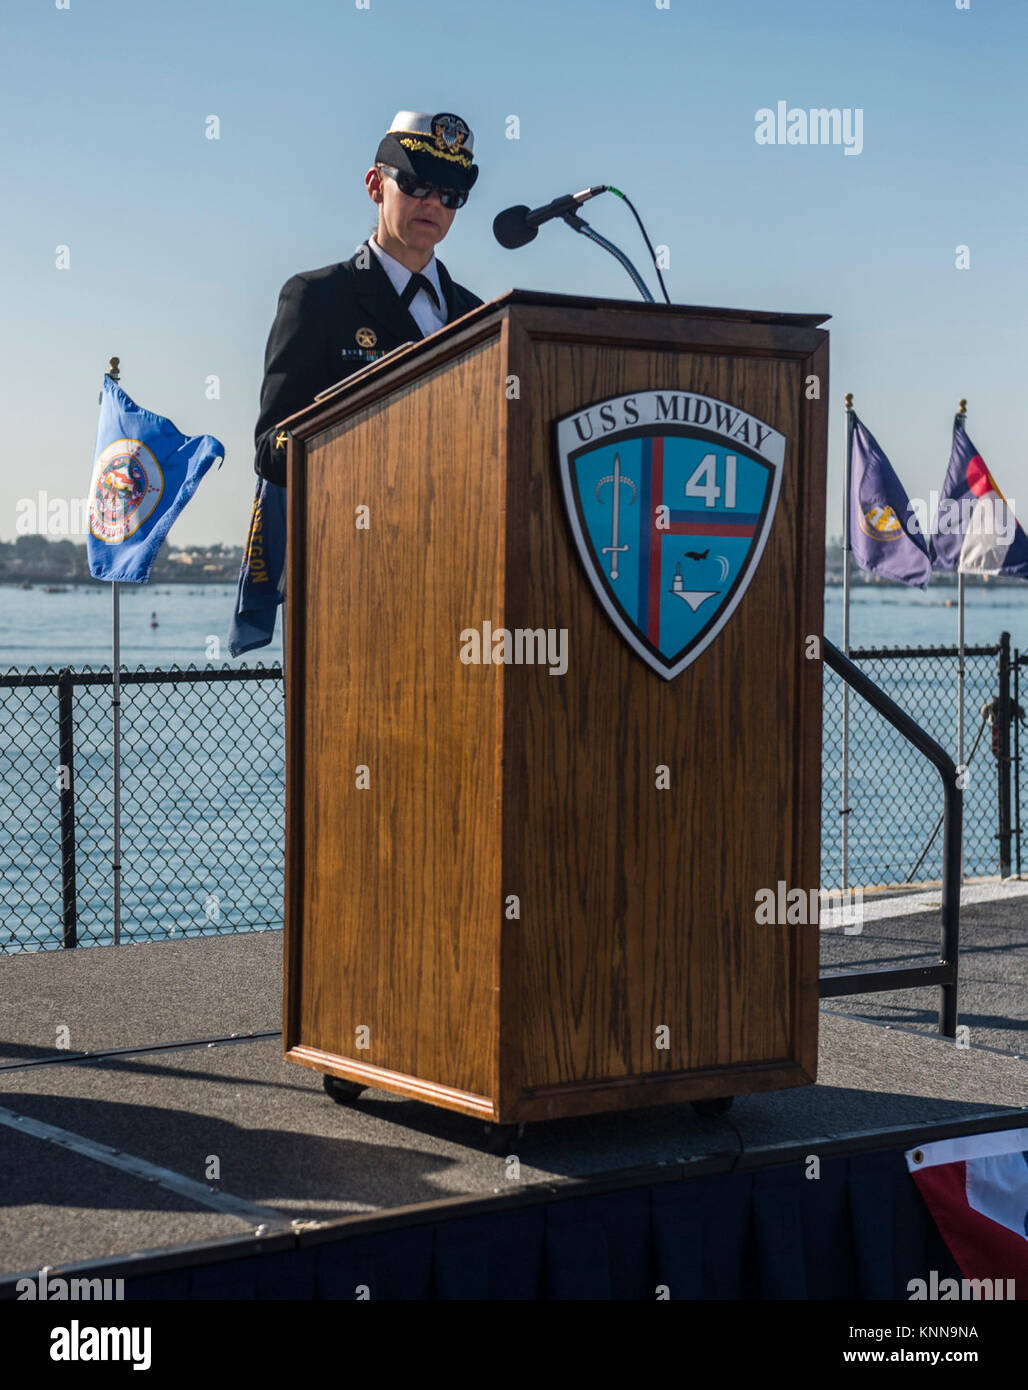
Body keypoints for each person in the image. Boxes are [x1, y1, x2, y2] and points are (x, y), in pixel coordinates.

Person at [253, 110, 484, 486]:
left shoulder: (478, 316)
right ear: (375, 185)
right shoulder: (317, 298)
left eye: (451, 193)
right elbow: (271, 449)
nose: (434, 203)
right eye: (417, 184)